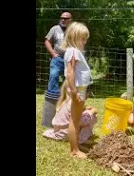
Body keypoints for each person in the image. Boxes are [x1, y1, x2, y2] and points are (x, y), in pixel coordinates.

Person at [60, 21, 93, 158]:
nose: (85, 41)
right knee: (74, 120)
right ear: (74, 37)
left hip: (80, 89)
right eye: (83, 38)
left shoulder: (74, 52)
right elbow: (70, 73)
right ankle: (74, 150)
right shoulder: (73, 52)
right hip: (77, 89)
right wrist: (74, 92)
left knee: (77, 118)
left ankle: (77, 144)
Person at [42, 81, 97, 148]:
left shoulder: (64, 101)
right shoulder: (74, 103)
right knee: (91, 118)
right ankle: (81, 140)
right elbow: (80, 121)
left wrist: (84, 110)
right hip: (67, 133)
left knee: (86, 114)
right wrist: (91, 112)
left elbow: (72, 114)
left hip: (58, 131)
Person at [42, 11, 72, 128]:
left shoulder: (73, 30)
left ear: (70, 20)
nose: (63, 20)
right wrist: (52, 53)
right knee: (53, 75)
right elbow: (47, 41)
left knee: (69, 82)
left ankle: (66, 106)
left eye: (65, 18)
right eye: (61, 18)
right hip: (58, 59)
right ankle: (52, 102)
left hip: (70, 60)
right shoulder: (55, 29)